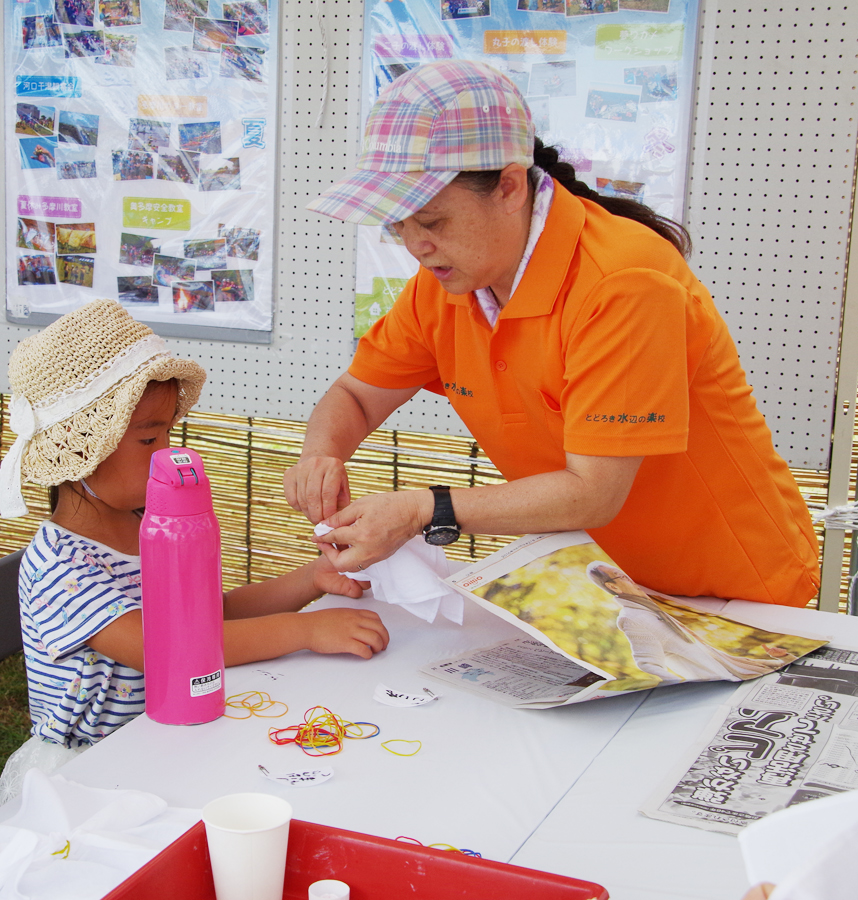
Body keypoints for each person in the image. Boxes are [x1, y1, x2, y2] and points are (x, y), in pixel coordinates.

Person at [285, 59, 819, 608]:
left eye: (432, 221)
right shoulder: (444, 285)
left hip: (733, 590)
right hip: (606, 589)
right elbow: (356, 394)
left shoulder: (623, 282)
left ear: (510, 187)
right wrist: (320, 457)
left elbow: (593, 493)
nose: (415, 245)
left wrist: (427, 509)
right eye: (399, 225)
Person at [0, 299, 389, 807]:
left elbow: (205, 618)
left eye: (170, 433)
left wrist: (310, 581)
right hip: (91, 775)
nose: (170, 452)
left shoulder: (150, 528)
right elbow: (169, 651)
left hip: (170, 741)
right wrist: (306, 631)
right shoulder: (61, 568)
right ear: (83, 451)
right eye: (150, 437)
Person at [587, 563, 786, 685]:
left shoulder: (654, 605)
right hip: (717, 681)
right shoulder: (632, 617)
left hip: (736, 668)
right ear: (613, 586)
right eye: (621, 576)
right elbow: (647, 664)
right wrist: (686, 685)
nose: (629, 578)